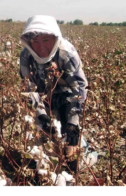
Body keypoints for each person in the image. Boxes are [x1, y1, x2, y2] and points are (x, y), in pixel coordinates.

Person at [19, 15, 88, 161]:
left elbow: (79, 87)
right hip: (42, 97)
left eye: (45, 40)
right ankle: (44, 158)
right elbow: (28, 88)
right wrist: (41, 115)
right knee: (43, 135)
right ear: (29, 42)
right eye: (35, 41)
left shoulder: (66, 54)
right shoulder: (26, 55)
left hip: (68, 98)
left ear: (55, 39)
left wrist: (73, 124)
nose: (40, 47)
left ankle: (81, 154)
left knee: (72, 148)